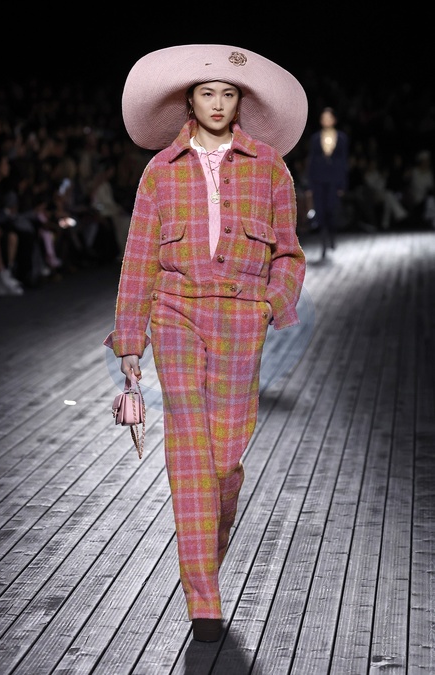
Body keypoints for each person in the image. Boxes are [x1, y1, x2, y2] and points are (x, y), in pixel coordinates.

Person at [104, 44, 307, 642]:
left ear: (240, 102)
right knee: (190, 453)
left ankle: (206, 560)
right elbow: (139, 257)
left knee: (224, 462)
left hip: (242, 317)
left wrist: (270, 303)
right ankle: (204, 601)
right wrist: (131, 338)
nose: (217, 103)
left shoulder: (270, 166)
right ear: (188, 101)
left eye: (228, 94)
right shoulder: (160, 170)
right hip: (176, 313)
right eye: (206, 93)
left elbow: (289, 253)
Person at [305, 107, 349, 258]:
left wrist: (342, 184)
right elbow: (311, 161)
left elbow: (343, 162)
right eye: (324, 117)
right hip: (318, 179)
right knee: (320, 210)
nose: (326, 120)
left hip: (334, 179)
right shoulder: (315, 138)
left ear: (334, 120)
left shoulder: (341, 138)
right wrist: (310, 184)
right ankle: (323, 242)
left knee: (332, 209)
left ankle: (332, 235)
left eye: (329, 117)